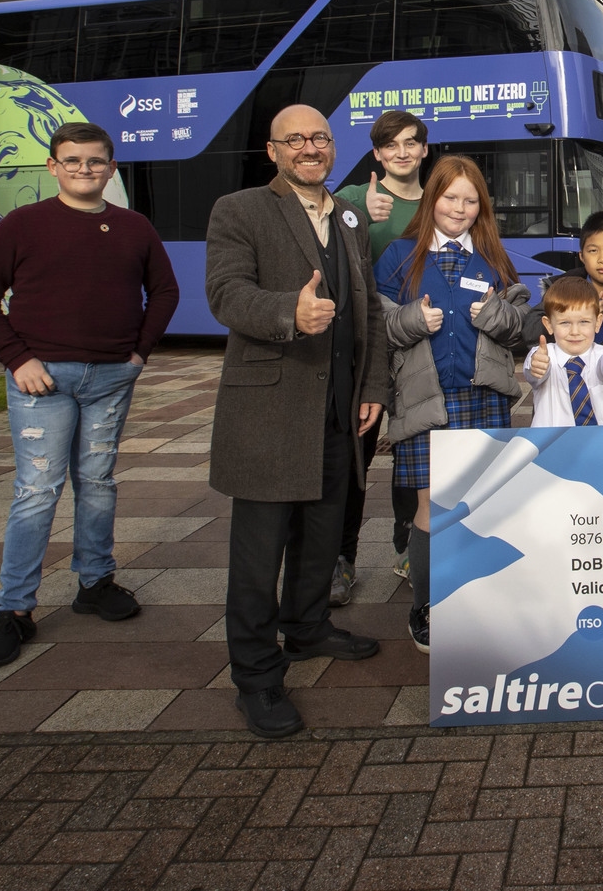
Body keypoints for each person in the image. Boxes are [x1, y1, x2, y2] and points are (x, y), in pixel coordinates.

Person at [0, 121, 180, 670]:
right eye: (73, 160)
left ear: (111, 169)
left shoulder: (134, 227)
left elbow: (166, 290)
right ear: (53, 167)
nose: (85, 169)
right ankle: (14, 611)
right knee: (37, 491)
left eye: (96, 161)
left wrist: (140, 353)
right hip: (43, 380)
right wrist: (17, 359)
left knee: (99, 483)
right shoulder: (23, 224)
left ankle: (95, 583)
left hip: (110, 378)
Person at [204, 105, 389, 739]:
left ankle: (307, 628)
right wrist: (291, 311)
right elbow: (226, 294)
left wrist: (372, 385)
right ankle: (256, 677)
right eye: (296, 140)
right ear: (273, 151)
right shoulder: (241, 209)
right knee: (258, 556)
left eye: (320, 138)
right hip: (270, 413)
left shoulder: (349, 217)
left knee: (321, 534)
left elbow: (366, 310)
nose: (310, 148)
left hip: (340, 411)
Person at [378, 155, 533, 656]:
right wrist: (411, 322)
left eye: (470, 200)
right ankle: (427, 605)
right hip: (425, 400)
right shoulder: (399, 257)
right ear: (432, 199)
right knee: (430, 508)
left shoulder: (493, 259)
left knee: (479, 504)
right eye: (450, 197)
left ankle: (478, 598)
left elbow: (520, 330)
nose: (459, 208)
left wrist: (495, 314)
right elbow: (377, 328)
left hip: (482, 398)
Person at [333, 110, 429, 605]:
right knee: (356, 454)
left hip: (418, 347)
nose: (402, 152)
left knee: (412, 455)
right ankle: (341, 559)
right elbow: (301, 223)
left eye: (411, 143)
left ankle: (406, 546)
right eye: (391, 145)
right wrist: (356, 221)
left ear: (424, 150)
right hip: (365, 347)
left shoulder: (437, 201)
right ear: (377, 154)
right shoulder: (350, 199)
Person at [521, 210, 603, 348]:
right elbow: (530, 331)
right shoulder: (563, 290)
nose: (602, 259)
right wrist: (572, 314)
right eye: (593, 251)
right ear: (582, 256)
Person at [525, 274, 603, 427]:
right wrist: (537, 367)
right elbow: (535, 373)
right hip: (552, 444)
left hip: (601, 441)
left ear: (598, 322)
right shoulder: (543, 354)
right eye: (565, 323)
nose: (575, 331)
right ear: (548, 325)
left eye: (584, 322)